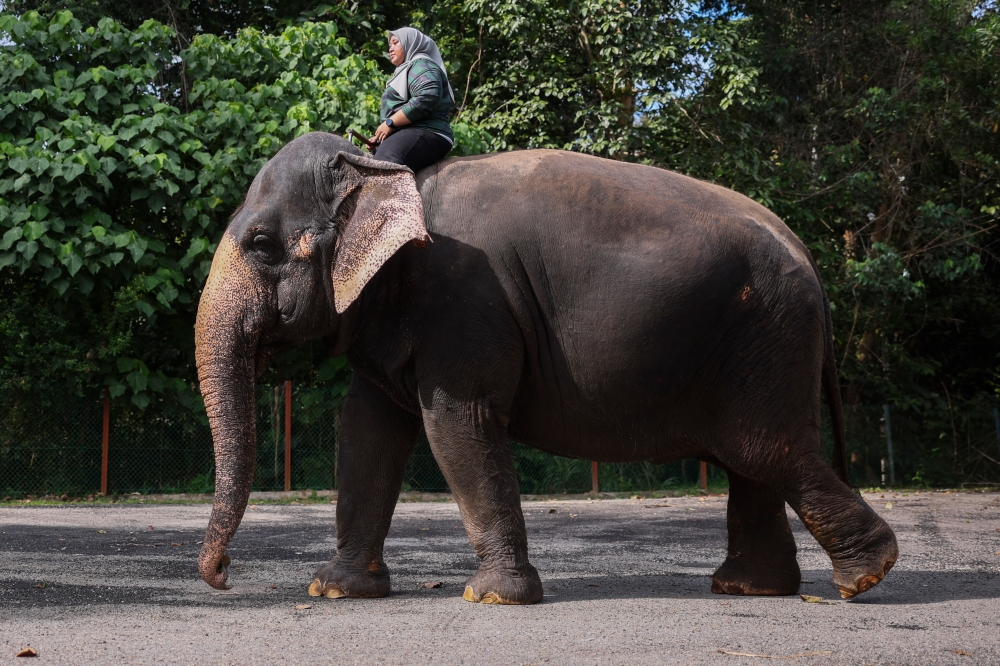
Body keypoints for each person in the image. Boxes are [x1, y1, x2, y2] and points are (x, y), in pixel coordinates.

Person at [370, 27, 455, 172]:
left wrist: (390, 122)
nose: (390, 48)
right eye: (390, 45)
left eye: (395, 42)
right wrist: (382, 136)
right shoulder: (408, 68)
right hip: (415, 132)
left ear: (410, 43)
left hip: (428, 130)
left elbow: (428, 96)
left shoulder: (421, 64)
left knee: (382, 167)